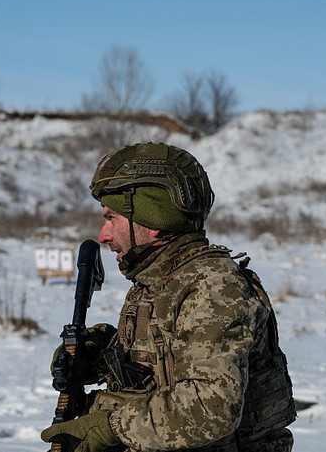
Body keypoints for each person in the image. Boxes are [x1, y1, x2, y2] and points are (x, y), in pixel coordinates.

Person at [42, 142, 296, 452]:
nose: (103, 236)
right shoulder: (159, 279)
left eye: (112, 218)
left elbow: (211, 409)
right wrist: (97, 356)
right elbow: (160, 363)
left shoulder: (212, 286)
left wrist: (114, 427)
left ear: (154, 220)